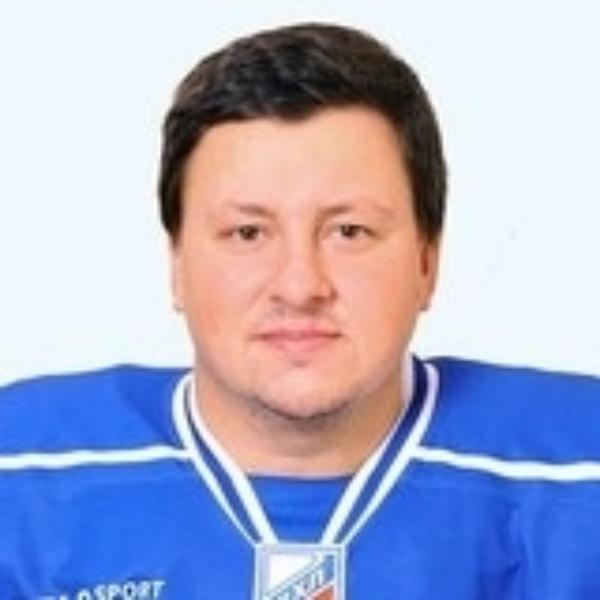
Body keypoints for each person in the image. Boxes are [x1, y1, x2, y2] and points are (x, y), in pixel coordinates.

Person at [1, 22, 599, 600]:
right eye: (247, 233)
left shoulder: (580, 471)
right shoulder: (20, 472)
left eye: (349, 231)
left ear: (427, 260)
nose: (300, 285)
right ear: (177, 263)